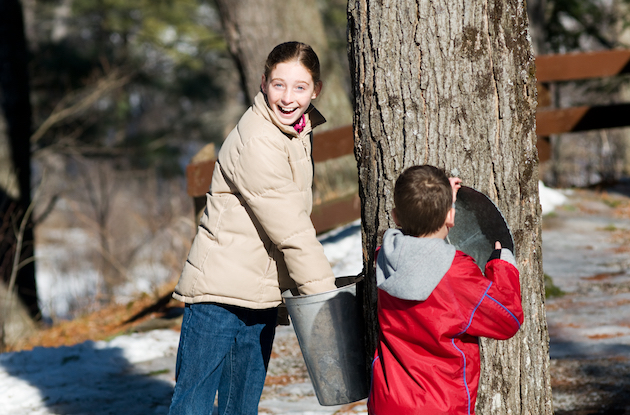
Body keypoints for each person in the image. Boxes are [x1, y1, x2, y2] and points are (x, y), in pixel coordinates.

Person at [168, 41, 338, 415]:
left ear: (316, 90)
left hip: (258, 296)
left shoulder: (295, 131)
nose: (288, 97)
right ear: (263, 83)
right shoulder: (258, 140)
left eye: (300, 87)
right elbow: (292, 232)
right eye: (279, 84)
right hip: (218, 295)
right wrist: (325, 306)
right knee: (192, 407)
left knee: (240, 407)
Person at [367, 165, 523, 415]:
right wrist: (501, 264)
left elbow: (410, 240)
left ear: (396, 217)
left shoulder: (384, 258)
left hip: (389, 401)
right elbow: (508, 319)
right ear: (452, 217)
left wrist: (433, 199)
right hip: (441, 404)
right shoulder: (456, 273)